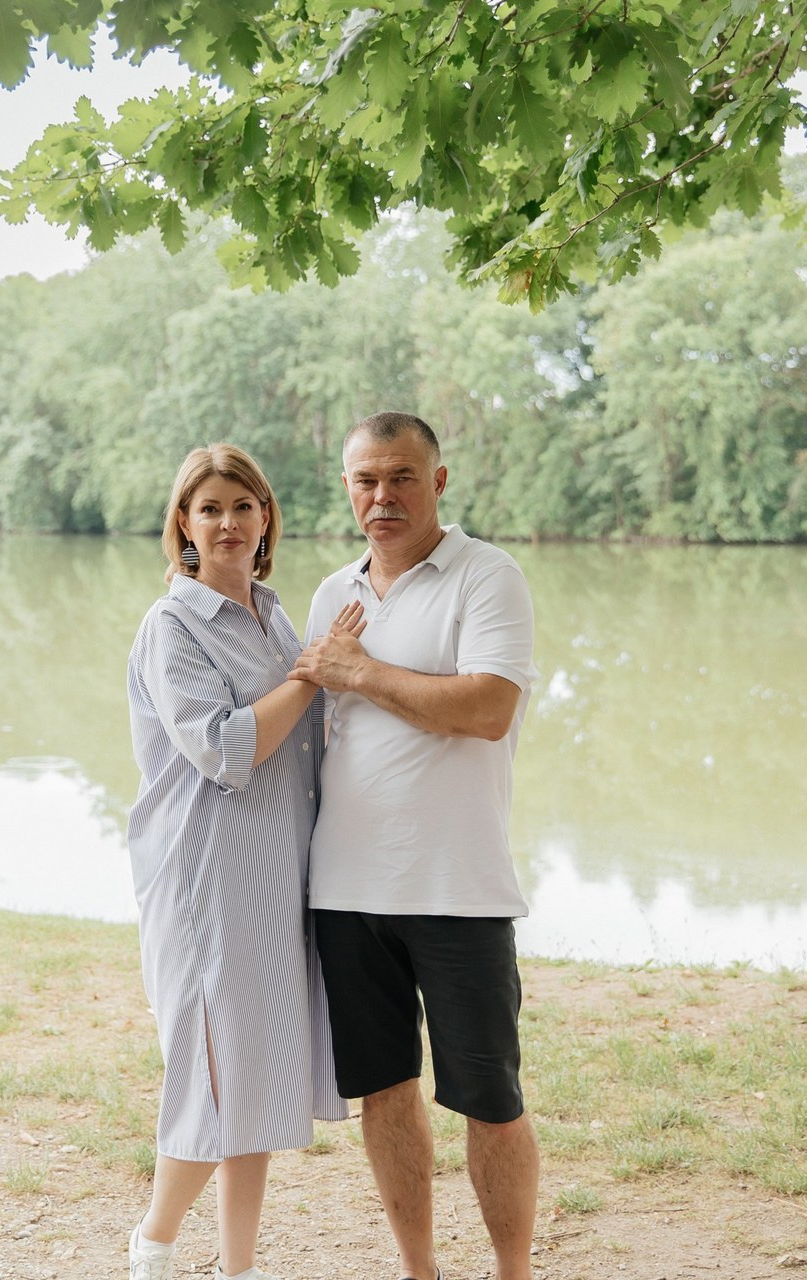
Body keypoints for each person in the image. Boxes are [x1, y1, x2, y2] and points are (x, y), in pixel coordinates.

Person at [290, 411, 541, 1280]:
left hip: (457, 888)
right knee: (383, 1094)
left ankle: (513, 1273)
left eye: (401, 477)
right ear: (347, 487)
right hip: (347, 889)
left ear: (438, 482)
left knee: (490, 1101)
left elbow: (487, 709)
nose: (382, 496)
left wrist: (361, 672)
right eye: (365, 479)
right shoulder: (331, 595)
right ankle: (418, 1271)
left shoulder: (487, 576)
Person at [125, 443, 358, 1280]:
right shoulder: (173, 626)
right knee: (215, 1078)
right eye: (210, 508)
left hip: (277, 877)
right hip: (205, 882)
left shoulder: (274, 613)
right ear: (183, 525)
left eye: (243, 506)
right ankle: (154, 1241)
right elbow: (227, 749)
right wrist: (313, 670)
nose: (228, 523)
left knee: (255, 1080)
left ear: (266, 518)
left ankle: (239, 1270)